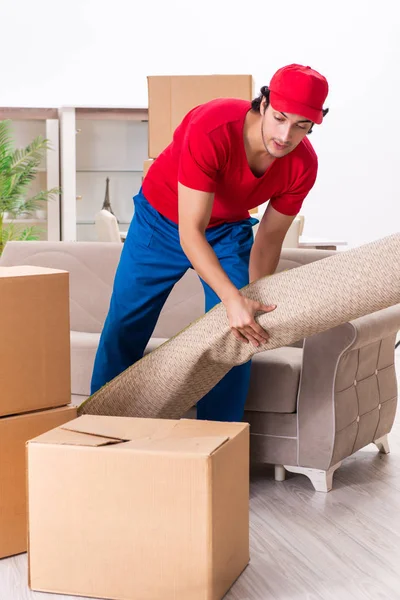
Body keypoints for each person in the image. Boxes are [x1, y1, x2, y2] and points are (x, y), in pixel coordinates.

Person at [91, 63, 329, 422]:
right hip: (160, 220)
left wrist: (248, 295)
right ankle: (97, 427)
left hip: (228, 230)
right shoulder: (212, 127)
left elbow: (268, 236)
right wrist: (230, 298)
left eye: (301, 126)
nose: (286, 135)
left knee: (238, 331)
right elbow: (191, 231)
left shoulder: (303, 165)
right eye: (280, 118)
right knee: (126, 322)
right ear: (263, 104)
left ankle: (219, 440)